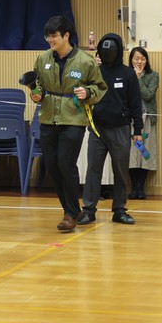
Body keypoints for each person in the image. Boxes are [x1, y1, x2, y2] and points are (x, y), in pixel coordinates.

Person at [28, 15, 107, 231]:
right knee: (52, 167)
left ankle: (70, 214)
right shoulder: (42, 59)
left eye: (54, 36)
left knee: (65, 163)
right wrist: (36, 94)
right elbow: (38, 86)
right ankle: (72, 210)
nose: (50, 40)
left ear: (66, 36)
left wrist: (87, 92)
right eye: (47, 36)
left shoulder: (85, 61)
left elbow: (100, 88)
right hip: (47, 119)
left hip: (73, 120)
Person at [80, 33, 142, 225]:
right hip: (97, 129)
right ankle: (88, 210)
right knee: (93, 170)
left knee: (121, 172)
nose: (108, 53)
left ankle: (119, 210)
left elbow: (136, 103)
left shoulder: (128, 74)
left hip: (121, 129)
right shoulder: (94, 72)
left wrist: (138, 130)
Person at [128, 46, 158, 199]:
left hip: (147, 119)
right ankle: (134, 188)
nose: (139, 62)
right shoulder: (126, 75)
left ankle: (141, 188)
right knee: (133, 153)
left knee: (144, 152)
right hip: (131, 120)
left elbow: (148, 95)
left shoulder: (153, 76)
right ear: (131, 60)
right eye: (136, 58)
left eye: (143, 58)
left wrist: (138, 79)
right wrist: (134, 77)